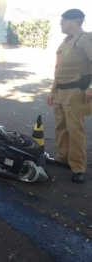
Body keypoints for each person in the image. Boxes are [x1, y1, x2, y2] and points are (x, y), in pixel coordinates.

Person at [45, 9, 92, 183]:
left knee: (76, 131)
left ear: (74, 21)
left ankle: (78, 167)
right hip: (61, 91)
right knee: (61, 128)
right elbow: (59, 72)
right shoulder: (65, 42)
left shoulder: (84, 39)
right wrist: (52, 92)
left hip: (76, 92)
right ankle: (63, 159)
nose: (60, 24)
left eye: (63, 20)